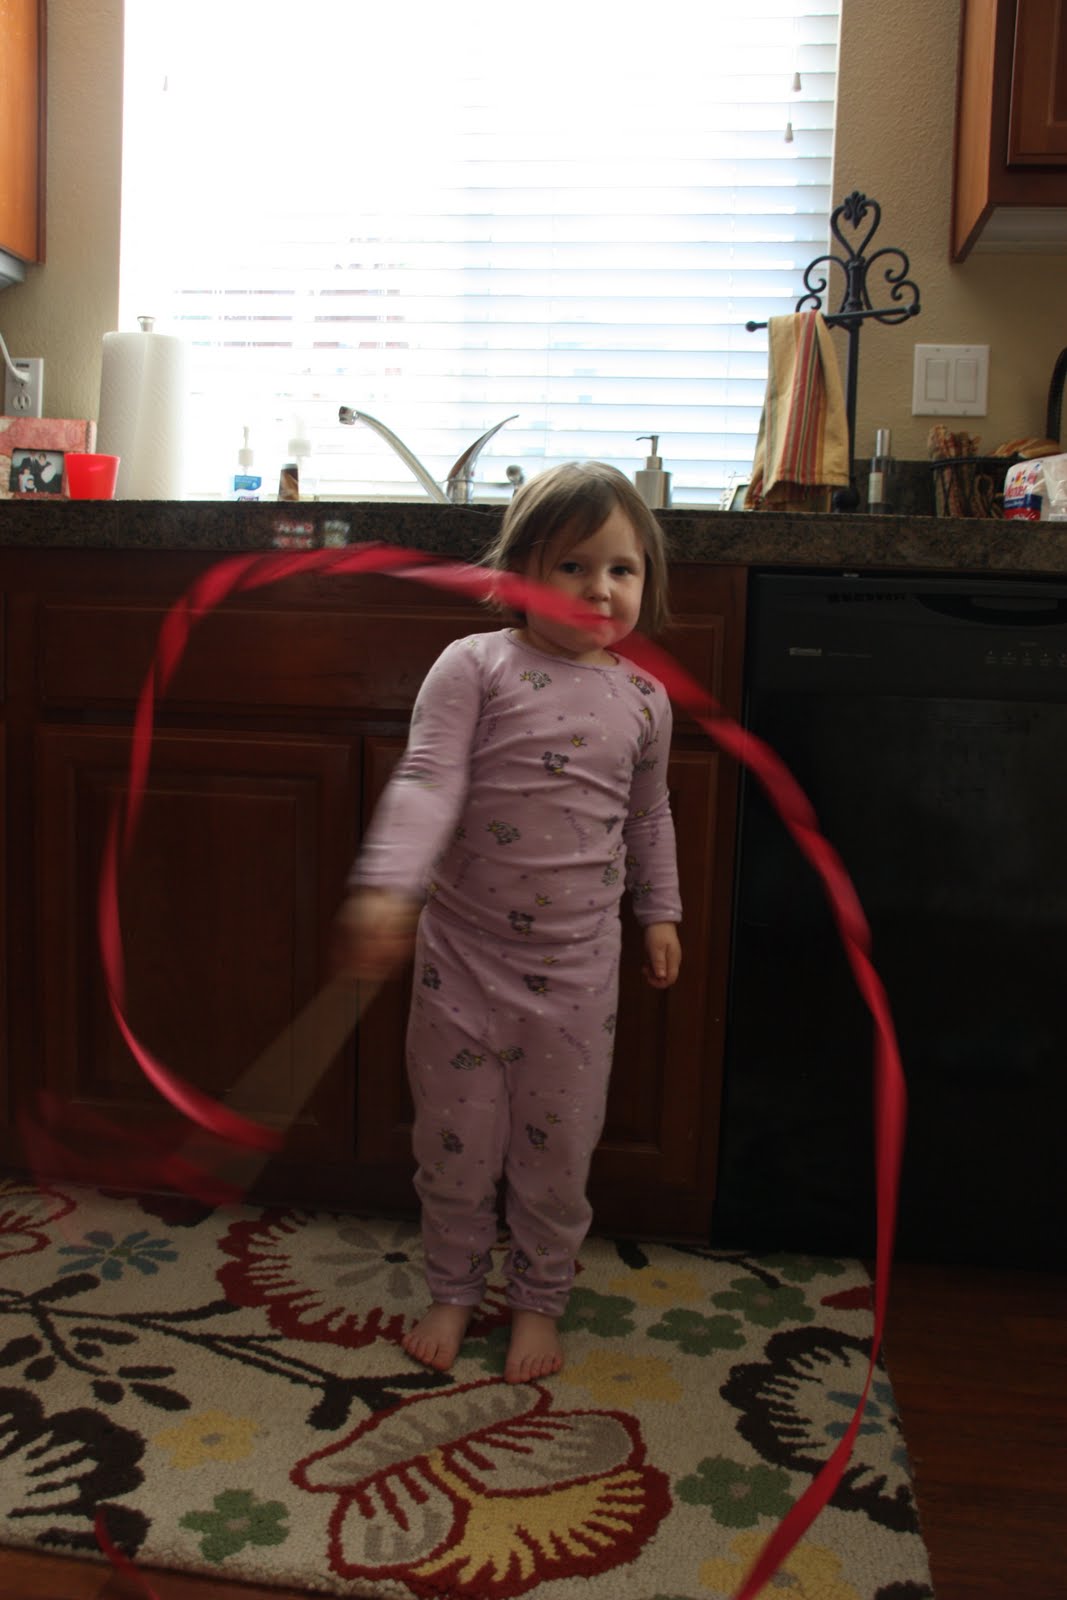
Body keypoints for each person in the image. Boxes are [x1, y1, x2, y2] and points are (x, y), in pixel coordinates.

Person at [333, 461, 682, 1383]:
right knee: (453, 1148)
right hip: (460, 960)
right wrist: (387, 885)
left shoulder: (646, 701)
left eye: (622, 568)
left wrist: (661, 912)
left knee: (556, 1155)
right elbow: (427, 779)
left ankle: (537, 1301)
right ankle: (453, 1289)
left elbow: (648, 816)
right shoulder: (474, 665)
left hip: (578, 973)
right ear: (520, 572)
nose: (600, 588)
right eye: (572, 565)